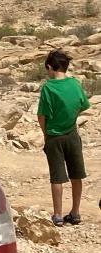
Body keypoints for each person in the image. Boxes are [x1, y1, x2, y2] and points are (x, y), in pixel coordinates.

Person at [40, 48, 91, 225]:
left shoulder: (48, 88)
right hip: (72, 134)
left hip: (54, 137)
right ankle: (75, 213)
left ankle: (58, 215)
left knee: (57, 177)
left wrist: (45, 133)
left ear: (49, 67)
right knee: (76, 174)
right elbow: (83, 105)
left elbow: (42, 115)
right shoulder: (75, 84)